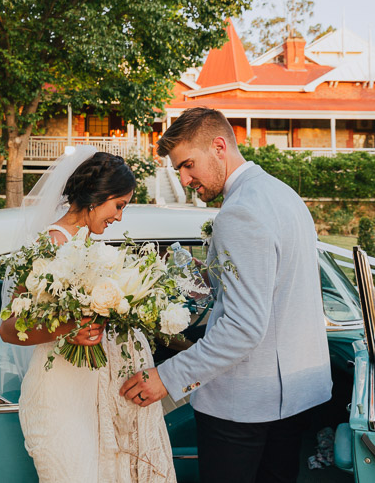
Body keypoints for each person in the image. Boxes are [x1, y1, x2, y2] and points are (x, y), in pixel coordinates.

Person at [119, 107, 332, 483]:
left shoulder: (239, 212)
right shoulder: (283, 195)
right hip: (294, 395)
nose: (185, 179)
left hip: (245, 403)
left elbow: (243, 327)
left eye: (188, 165)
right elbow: (276, 287)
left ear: (219, 146)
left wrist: (167, 377)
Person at [0, 149, 176, 483]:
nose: (119, 217)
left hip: (95, 396)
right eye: (119, 205)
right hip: (59, 399)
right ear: (98, 196)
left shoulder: (95, 249)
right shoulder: (50, 243)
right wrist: (69, 327)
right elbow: (9, 329)